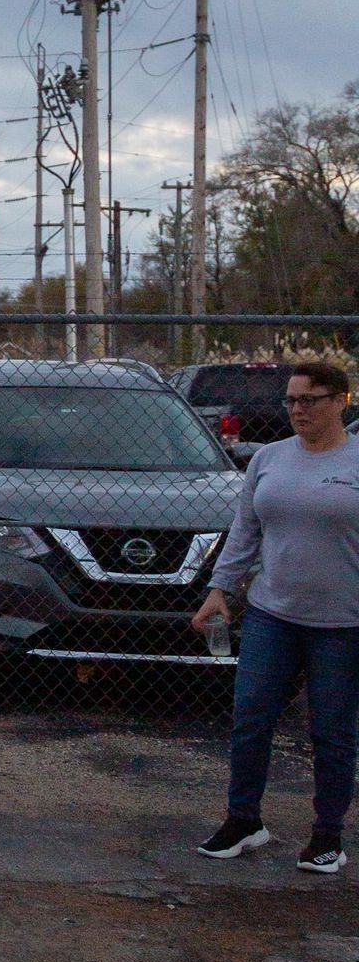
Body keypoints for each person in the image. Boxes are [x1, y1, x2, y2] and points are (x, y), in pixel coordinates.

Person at [193, 356, 359, 874]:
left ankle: (327, 835)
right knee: (250, 719)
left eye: (309, 400)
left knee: (331, 732)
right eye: (290, 400)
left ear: (340, 402)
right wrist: (220, 589)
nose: (297, 409)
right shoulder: (269, 458)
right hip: (272, 615)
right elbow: (245, 531)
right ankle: (244, 820)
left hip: (343, 624)